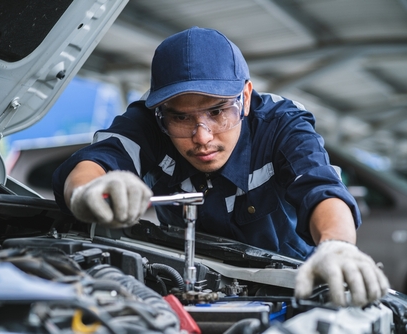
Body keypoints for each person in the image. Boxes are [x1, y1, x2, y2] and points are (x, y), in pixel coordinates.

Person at [52, 26, 389, 307]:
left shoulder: (281, 124)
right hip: (186, 288)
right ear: (162, 111)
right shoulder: (149, 121)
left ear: (245, 96)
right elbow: (97, 160)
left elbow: (321, 187)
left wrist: (337, 244)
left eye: (217, 112)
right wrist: (87, 191)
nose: (202, 137)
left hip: (291, 288)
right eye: (181, 117)